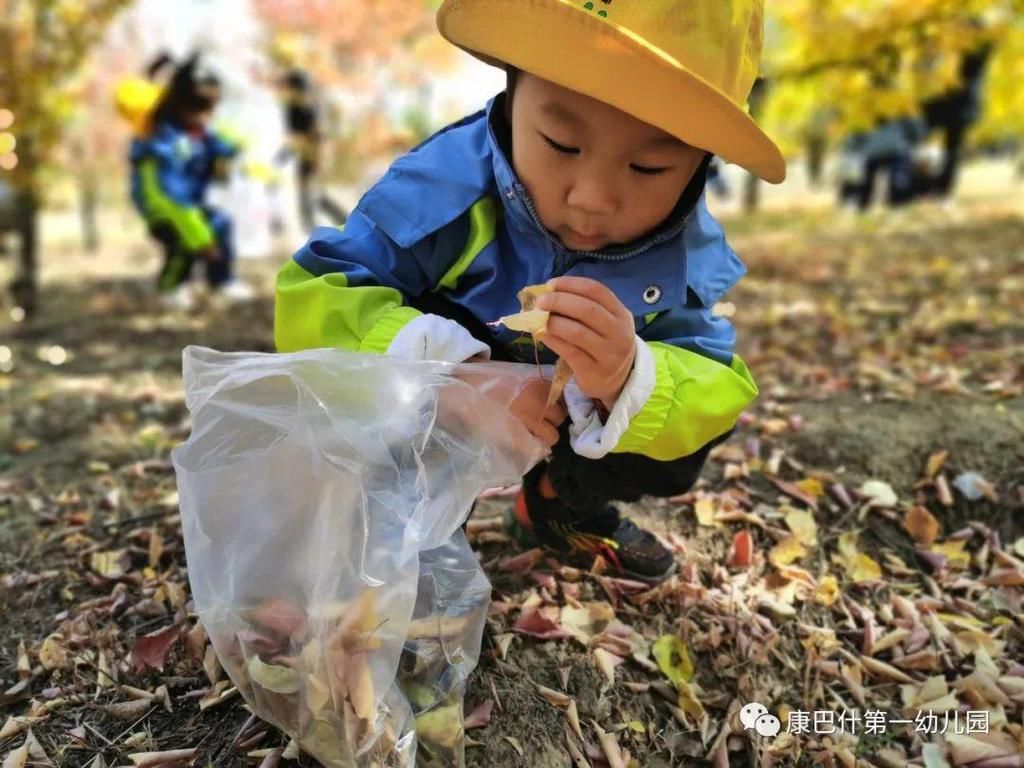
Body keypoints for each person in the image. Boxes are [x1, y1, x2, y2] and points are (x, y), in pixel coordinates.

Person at [274, 0, 786, 582]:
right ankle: (415, 522)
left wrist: (626, 377)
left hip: (568, 415)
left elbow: (711, 376)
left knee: (678, 422)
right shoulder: (444, 191)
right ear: (513, 99)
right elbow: (320, 290)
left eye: (648, 168)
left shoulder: (683, 255)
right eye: (561, 144)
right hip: (439, 403)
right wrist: (444, 378)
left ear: (700, 164)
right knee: (393, 421)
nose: (592, 197)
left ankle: (557, 498)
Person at [127, 53, 253, 310]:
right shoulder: (163, 140)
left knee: (221, 223)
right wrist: (202, 240)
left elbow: (222, 143)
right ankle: (170, 288)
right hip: (164, 210)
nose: (207, 116)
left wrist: (235, 153)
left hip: (190, 206)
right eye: (202, 109)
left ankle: (221, 280)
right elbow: (170, 196)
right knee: (183, 245)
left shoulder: (198, 133)